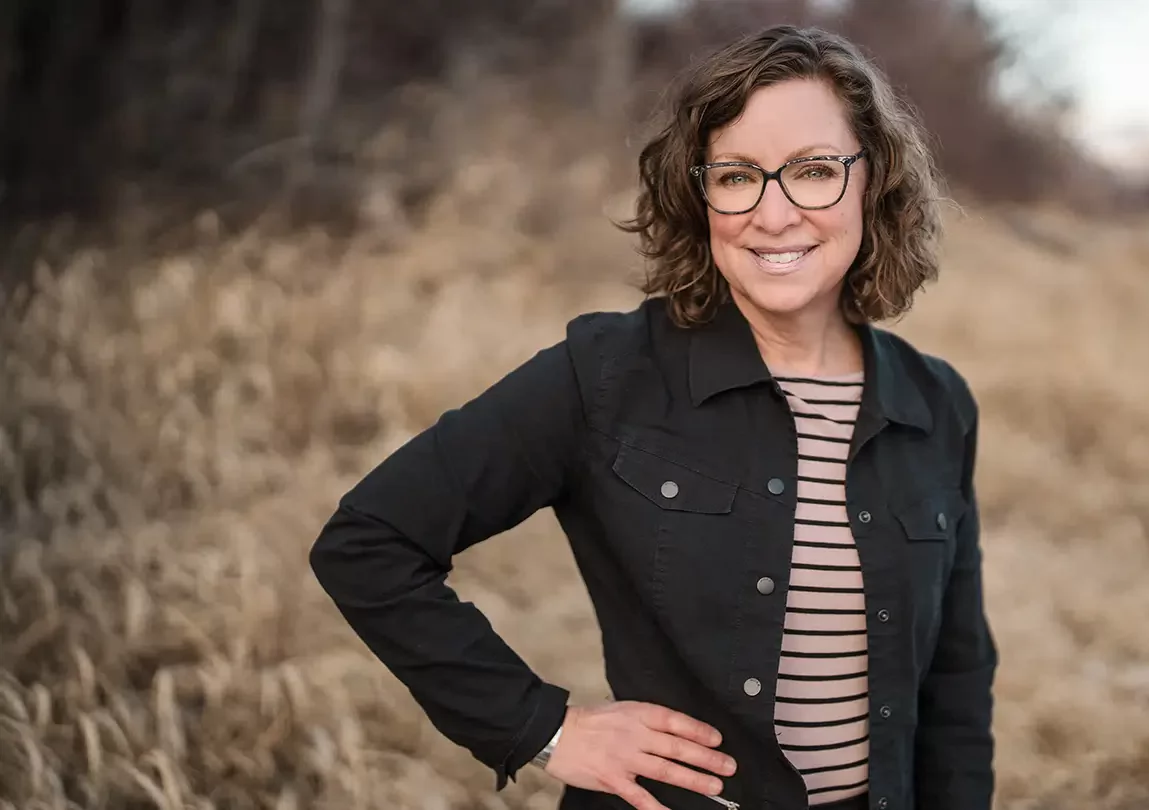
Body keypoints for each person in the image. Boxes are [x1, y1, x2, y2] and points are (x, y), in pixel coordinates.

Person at [309, 23, 997, 810]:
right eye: (737, 177)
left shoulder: (938, 403)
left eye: (812, 171)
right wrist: (545, 728)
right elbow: (370, 542)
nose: (772, 215)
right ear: (698, 193)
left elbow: (957, 680)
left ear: (874, 182)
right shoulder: (608, 373)